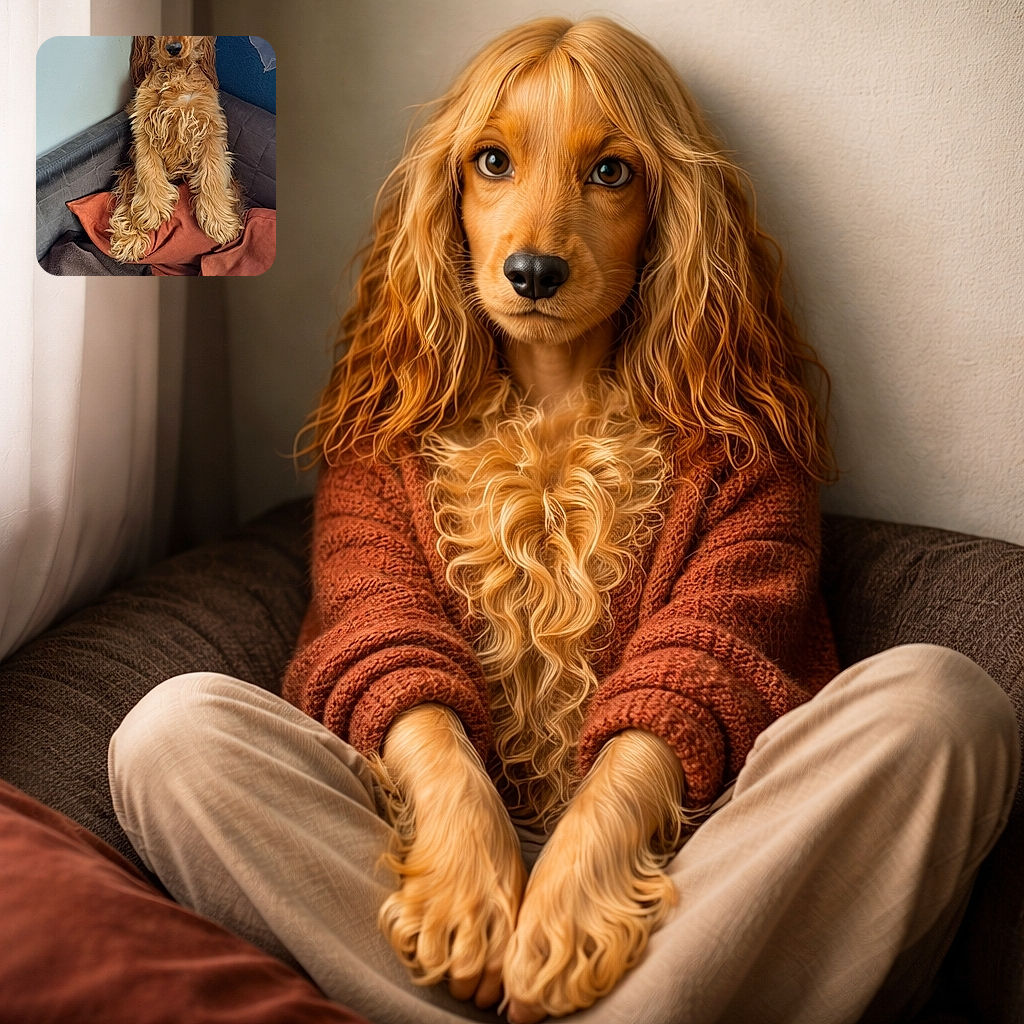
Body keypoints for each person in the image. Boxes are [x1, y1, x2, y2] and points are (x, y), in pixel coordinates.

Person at [109, 18, 1019, 1024]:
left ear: (669, 213)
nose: (538, 242)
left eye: (608, 174)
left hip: (689, 871)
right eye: (494, 162)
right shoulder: (386, 435)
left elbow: (715, 654)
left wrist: (604, 835)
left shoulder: (740, 445)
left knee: (941, 705)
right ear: (450, 203)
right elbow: (375, 628)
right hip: (414, 869)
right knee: (169, 734)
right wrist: (455, 811)